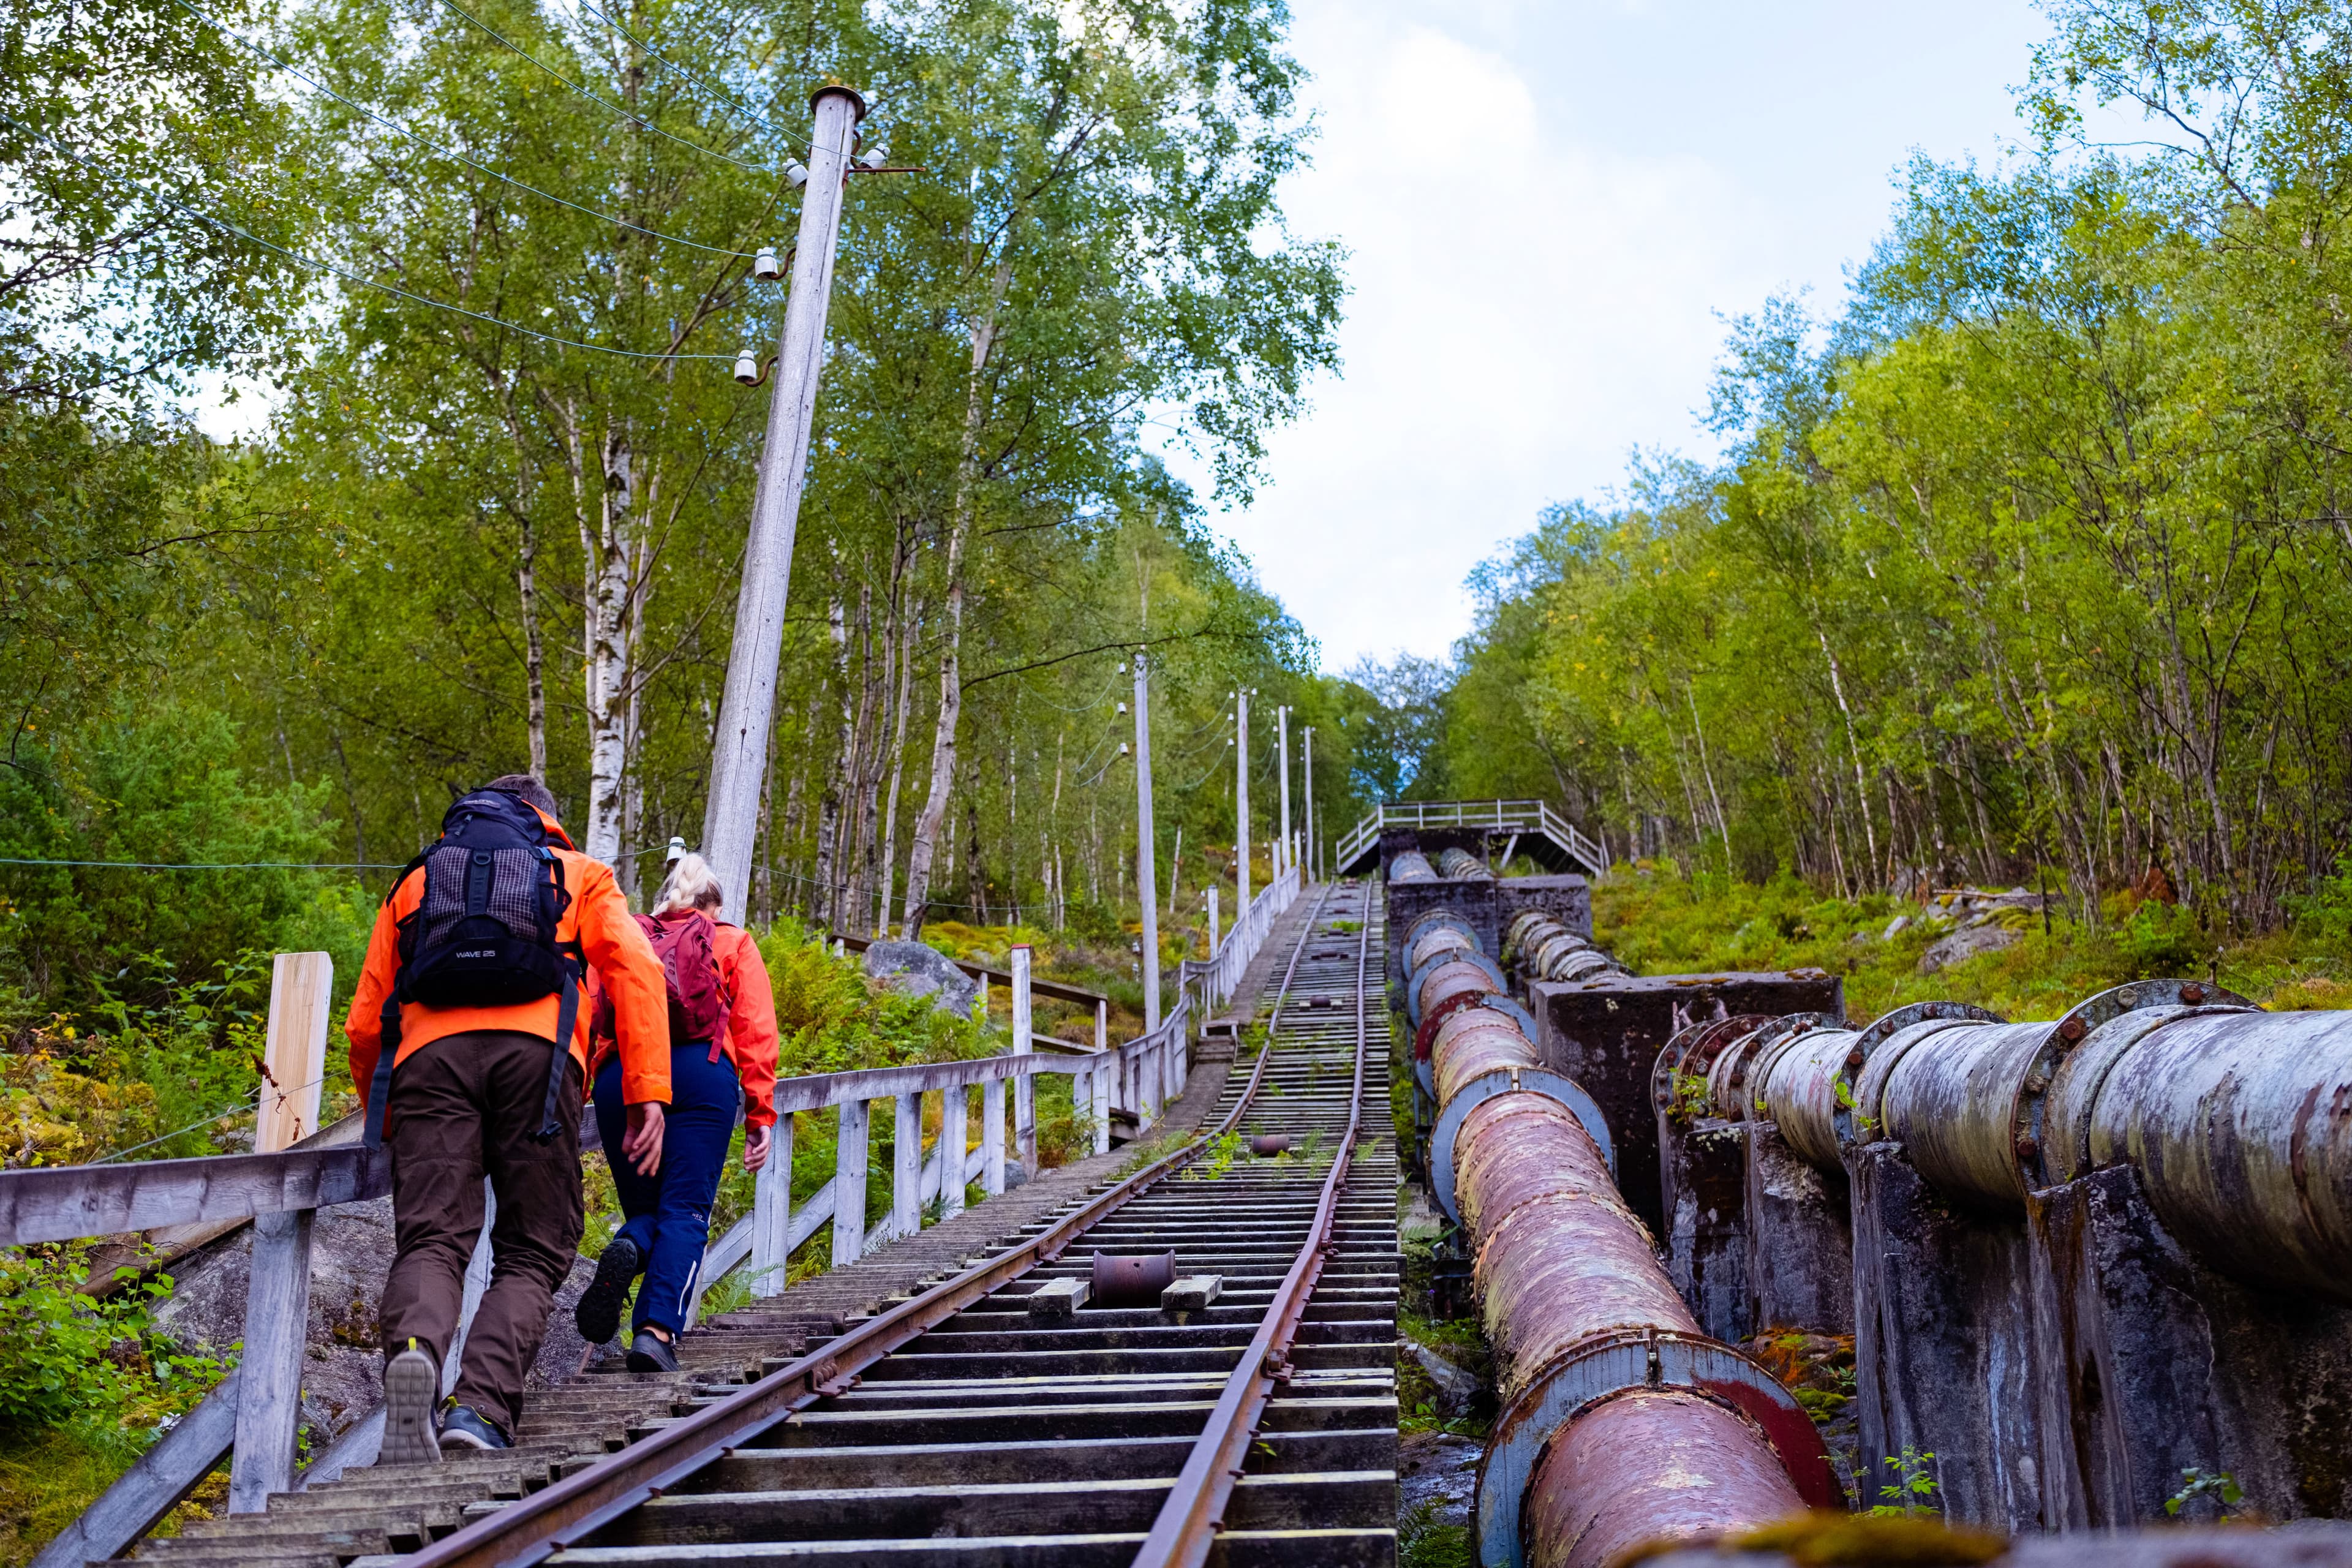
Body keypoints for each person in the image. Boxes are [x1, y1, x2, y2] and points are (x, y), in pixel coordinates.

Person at [345, 775, 671, 1462]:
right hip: (540, 1057)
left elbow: (367, 1015)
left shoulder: (419, 880)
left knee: (432, 1237)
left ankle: (416, 1357)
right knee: (533, 1244)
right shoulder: (577, 872)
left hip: (429, 1061)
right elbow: (636, 971)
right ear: (546, 820)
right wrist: (647, 1088)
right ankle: (482, 1409)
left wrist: (388, 1114)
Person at [573, 852, 779, 1371]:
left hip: (624, 1078)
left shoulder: (627, 938)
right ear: (714, 905)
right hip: (700, 1076)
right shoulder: (731, 941)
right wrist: (760, 1115)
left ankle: (627, 1247)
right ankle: (655, 1331)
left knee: (645, 1210)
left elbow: (589, 1013)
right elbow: (756, 1032)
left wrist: (581, 1092)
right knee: (684, 1210)